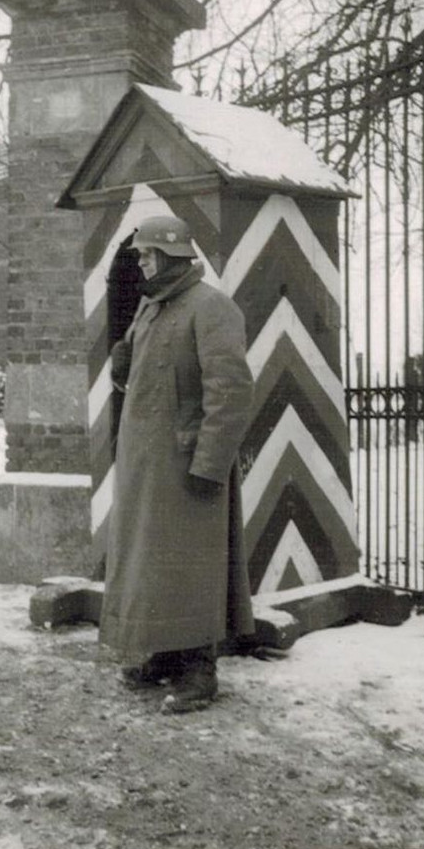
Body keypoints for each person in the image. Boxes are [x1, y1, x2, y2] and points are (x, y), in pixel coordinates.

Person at [103, 214, 255, 714]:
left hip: (188, 466)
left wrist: (209, 463)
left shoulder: (213, 308)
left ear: (171, 254)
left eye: (147, 254)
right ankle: (165, 655)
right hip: (147, 465)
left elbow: (229, 391)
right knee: (153, 564)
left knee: (193, 568)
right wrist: (123, 361)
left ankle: (199, 671)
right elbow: (140, 373)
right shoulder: (151, 306)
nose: (141, 263)